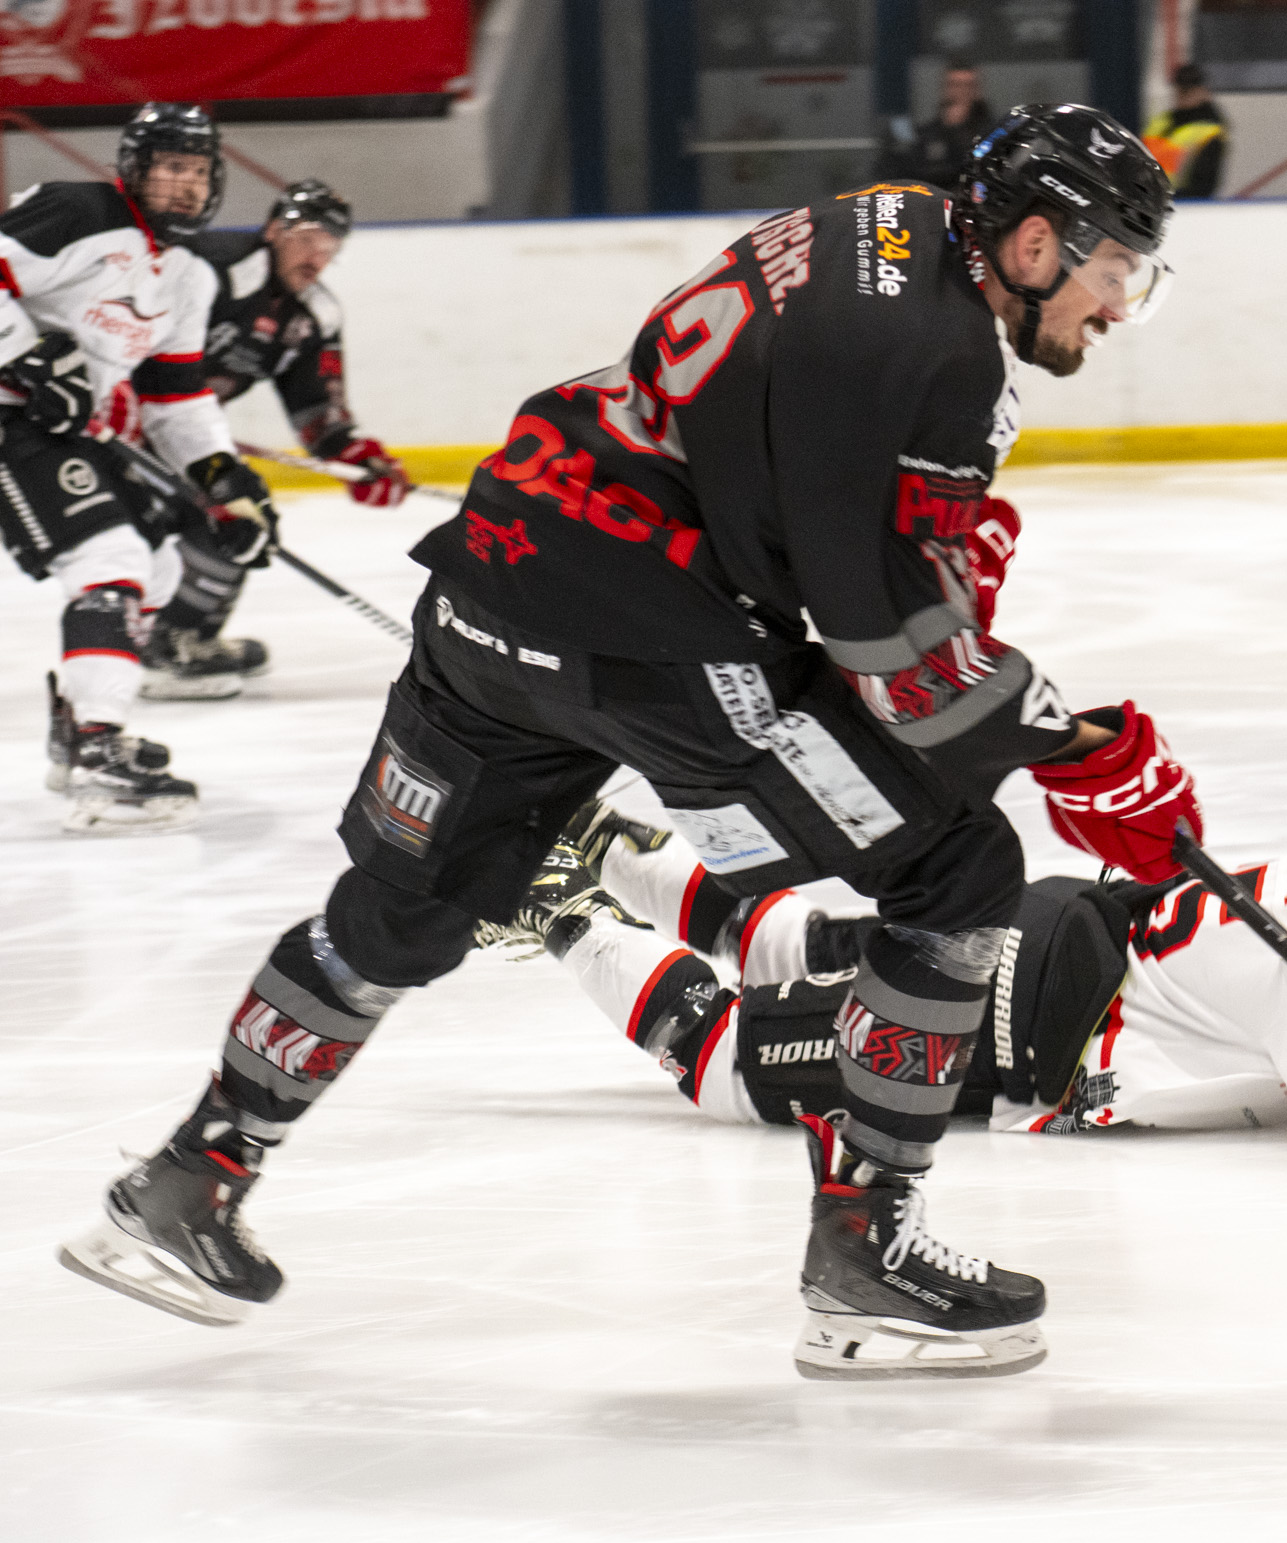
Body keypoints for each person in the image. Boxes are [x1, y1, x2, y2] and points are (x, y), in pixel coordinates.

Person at [60, 107, 1201, 1388]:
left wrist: (928, 552)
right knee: (961, 873)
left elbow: (808, 475)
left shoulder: (877, 218)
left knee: (402, 908)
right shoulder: (945, 353)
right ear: (1038, 242)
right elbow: (898, 659)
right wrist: (1077, 741)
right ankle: (865, 1254)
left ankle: (188, 1175)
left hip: (499, 576)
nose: (1113, 308)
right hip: (658, 645)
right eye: (1112, 273)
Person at [512, 790, 1287, 1185]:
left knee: (812, 948)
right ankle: (562, 911)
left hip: (1063, 926)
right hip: (1025, 1013)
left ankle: (602, 837)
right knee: (730, 1060)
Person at [0, 102, 278, 835]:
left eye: (196, 170)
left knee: (153, 566)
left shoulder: (189, 273)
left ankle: (78, 727)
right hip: (7, 415)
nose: (184, 184)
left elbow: (174, 396)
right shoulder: (77, 211)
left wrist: (224, 480)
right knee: (108, 558)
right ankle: (97, 745)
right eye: (170, 167)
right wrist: (26, 355)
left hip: (56, 428)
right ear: (134, 168)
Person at [139, 177, 416, 702]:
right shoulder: (209, 267)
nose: (318, 253)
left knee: (247, 512)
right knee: (197, 517)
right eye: (308, 236)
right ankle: (160, 645)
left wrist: (357, 459)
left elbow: (319, 412)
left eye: (331, 245)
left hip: (178, 433)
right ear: (273, 230)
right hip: (112, 419)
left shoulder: (314, 316)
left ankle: (187, 637)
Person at [879, 62, 997, 190]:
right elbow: (912, 172)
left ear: (978, 90)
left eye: (968, 85)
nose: (962, 91)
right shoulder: (927, 134)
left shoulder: (991, 132)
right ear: (944, 89)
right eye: (955, 85)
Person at [1143, 62, 1229, 199]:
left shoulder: (1210, 131)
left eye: (1189, 89)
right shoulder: (1160, 122)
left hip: (1183, 203)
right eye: (1181, 88)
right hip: (1147, 199)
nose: (1183, 93)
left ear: (1203, 91)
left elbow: (1204, 184)